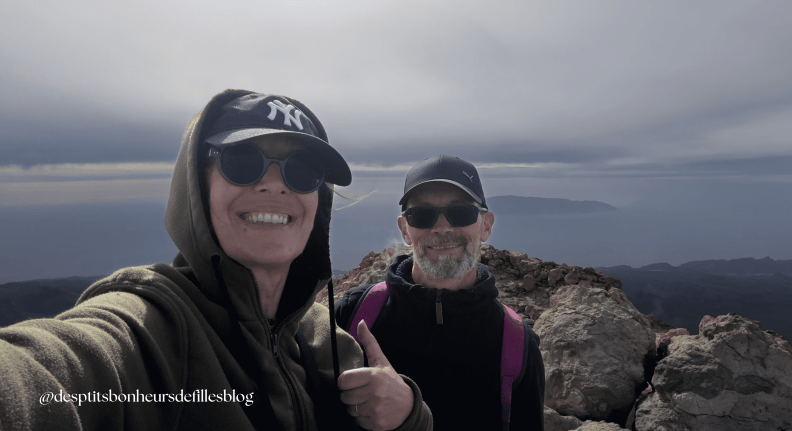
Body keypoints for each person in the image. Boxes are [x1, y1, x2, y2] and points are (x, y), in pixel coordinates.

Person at [0, 89, 432, 431]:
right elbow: (49, 375)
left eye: (301, 170)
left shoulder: (328, 342)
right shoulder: (151, 332)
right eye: (242, 161)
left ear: (317, 202)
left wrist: (408, 413)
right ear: (196, 187)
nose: (273, 185)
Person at [335, 155, 545, 430]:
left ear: (486, 225)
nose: (442, 227)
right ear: (405, 230)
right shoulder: (352, 314)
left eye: (461, 213)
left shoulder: (516, 344)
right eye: (422, 215)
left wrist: (409, 416)